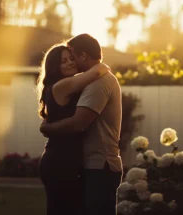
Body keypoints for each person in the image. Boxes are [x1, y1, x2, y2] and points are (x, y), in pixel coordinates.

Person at [40, 34, 123, 215]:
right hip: (62, 161)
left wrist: (47, 128)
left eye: (72, 57)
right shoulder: (70, 84)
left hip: (94, 164)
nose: (72, 63)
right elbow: (95, 71)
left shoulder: (96, 83)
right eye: (65, 60)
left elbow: (78, 124)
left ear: (83, 56)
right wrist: (100, 66)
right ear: (56, 66)